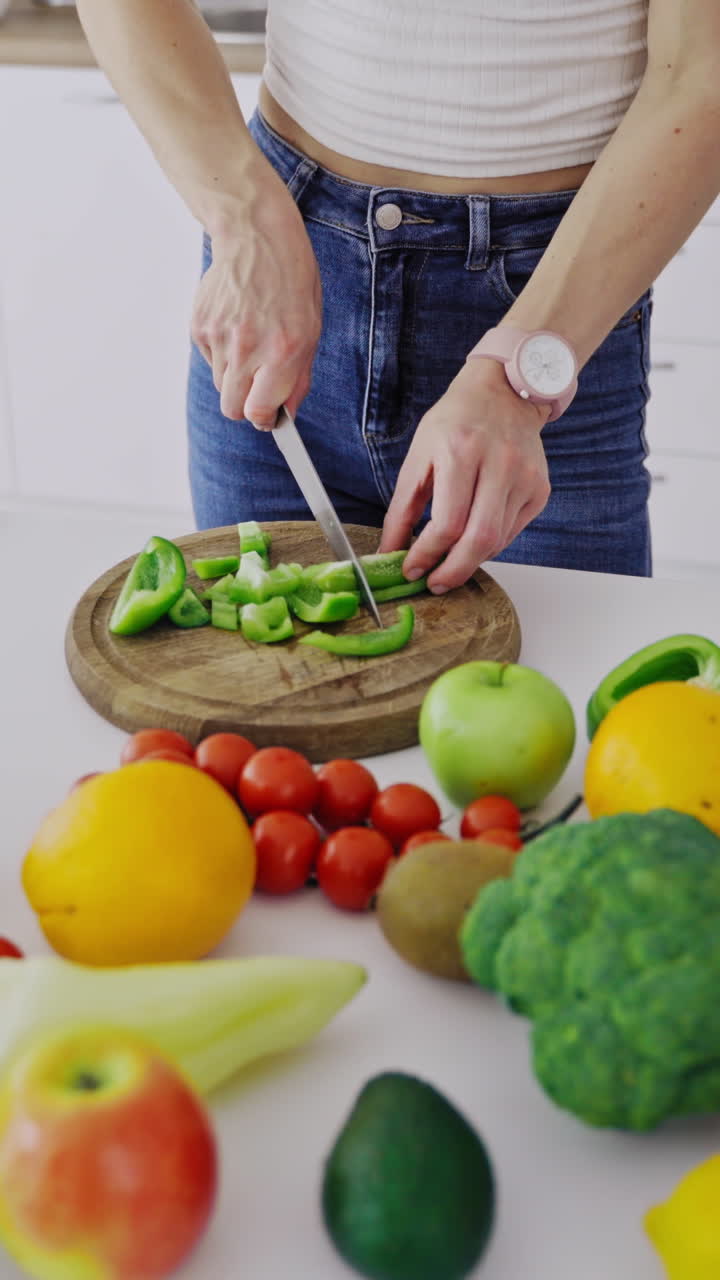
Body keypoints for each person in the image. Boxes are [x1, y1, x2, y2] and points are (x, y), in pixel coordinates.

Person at [76, 0, 720, 592]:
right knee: (258, 695)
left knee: (567, 700)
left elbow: (702, 74)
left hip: (556, 296)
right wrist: (244, 221)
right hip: (284, 267)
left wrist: (517, 371)